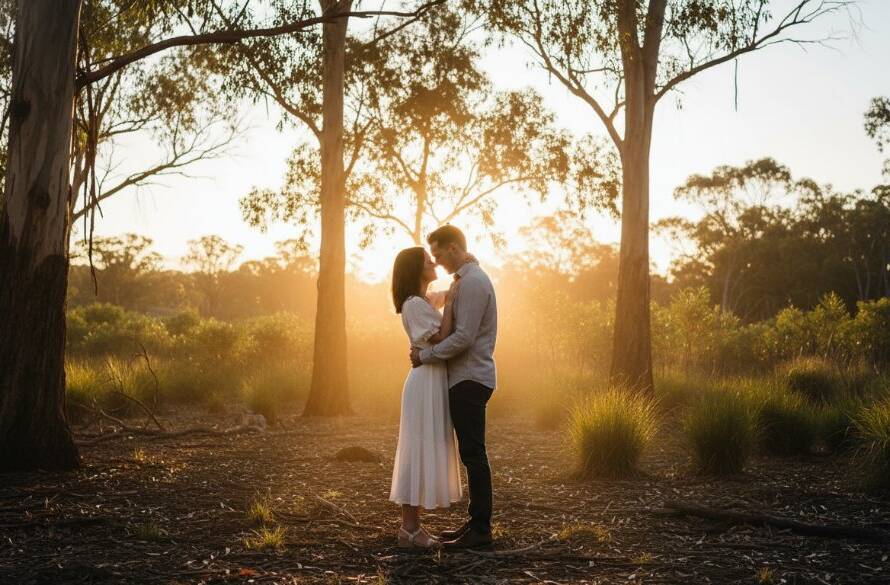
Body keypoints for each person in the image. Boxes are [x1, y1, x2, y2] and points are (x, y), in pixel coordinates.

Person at [410, 225, 498, 550]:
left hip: (471, 377)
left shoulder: (473, 282)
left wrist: (425, 355)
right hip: (464, 377)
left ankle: (481, 530)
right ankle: (475, 524)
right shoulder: (464, 280)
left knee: (474, 454)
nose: (437, 261)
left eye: (438, 254)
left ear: (453, 248)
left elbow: (464, 337)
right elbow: (450, 308)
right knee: (471, 453)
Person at [388, 246, 463, 549]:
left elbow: (445, 294)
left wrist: (459, 279)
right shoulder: (414, 305)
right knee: (415, 450)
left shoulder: (422, 301)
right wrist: (453, 305)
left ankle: (412, 527)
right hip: (423, 384)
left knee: (423, 448)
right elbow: (442, 337)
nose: (434, 262)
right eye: (428, 260)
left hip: (432, 380)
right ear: (415, 269)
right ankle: (409, 530)